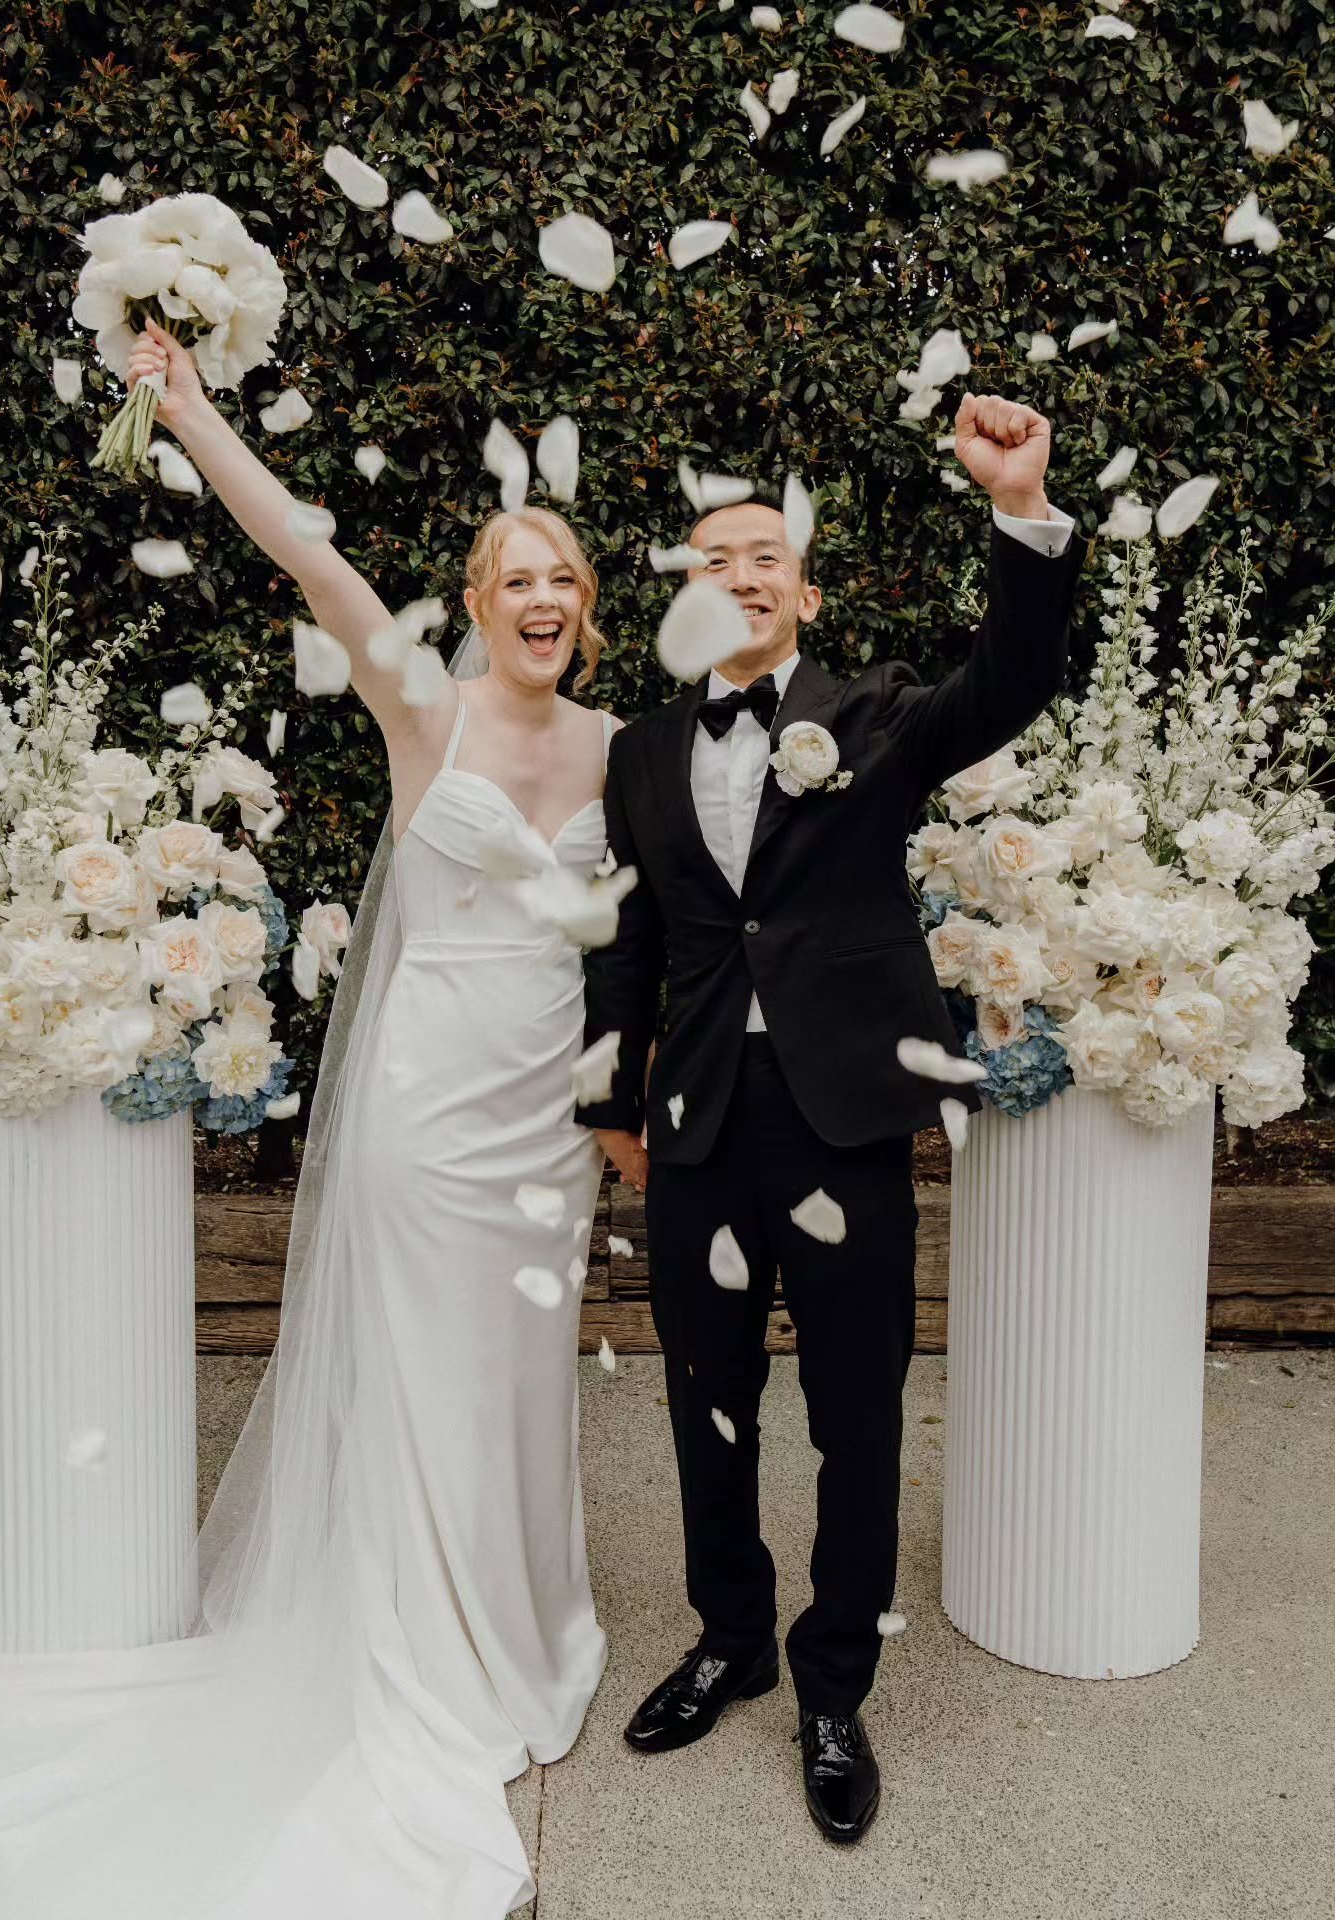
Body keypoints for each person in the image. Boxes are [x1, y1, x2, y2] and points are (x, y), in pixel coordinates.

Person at [0, 317, 619, 1918]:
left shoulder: (631, 756)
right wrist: (191, 408)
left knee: (513, 1384)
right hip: (427, 1129)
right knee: (425, 1379)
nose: (540, 599)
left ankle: (516, 1619)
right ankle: (417, 1647)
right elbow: (306, 554)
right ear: (481, 602)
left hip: (543, 1140)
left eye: (561, 575)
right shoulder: (427, 708)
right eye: (514, 576)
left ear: (589, 604)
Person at [573, 394, 1086, 1845]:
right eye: (709, 557)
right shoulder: (638, 754)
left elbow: (1013, 678)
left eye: (765, 554)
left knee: (854, 1414)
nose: (738, 572)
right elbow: (623, 943)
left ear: (802, 588)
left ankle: (833, 1679)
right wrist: (614, 1105)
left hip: (845, 1118)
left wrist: (1022, 509)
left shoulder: (871, 714)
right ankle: (729, 1635)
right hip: (698, 1130)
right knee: (706, 1399)